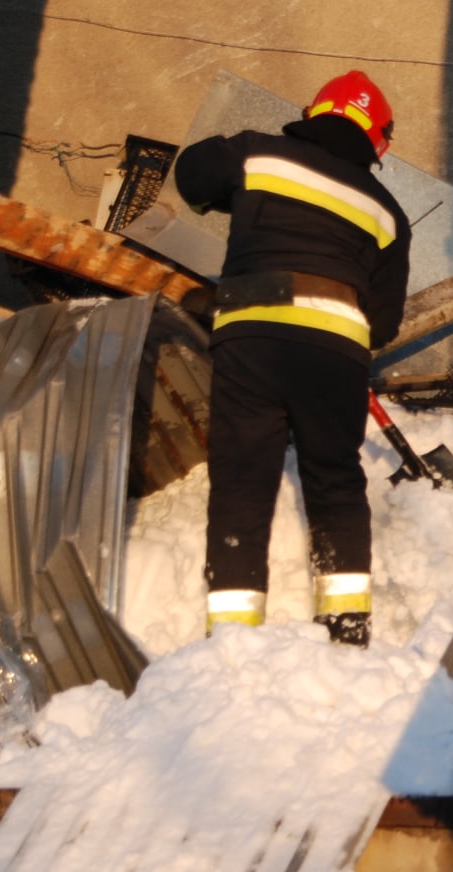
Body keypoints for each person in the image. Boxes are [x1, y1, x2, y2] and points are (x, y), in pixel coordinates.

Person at [174, 71, 413, 648]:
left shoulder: (259, 154)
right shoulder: (388, 214)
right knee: (335, 481)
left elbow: (192, 175)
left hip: (251, 336)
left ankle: (231, 635)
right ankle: (346, 626)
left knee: (241, 483)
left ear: (313, 112)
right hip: (335, 351)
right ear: (377, 143)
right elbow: (382, 323)